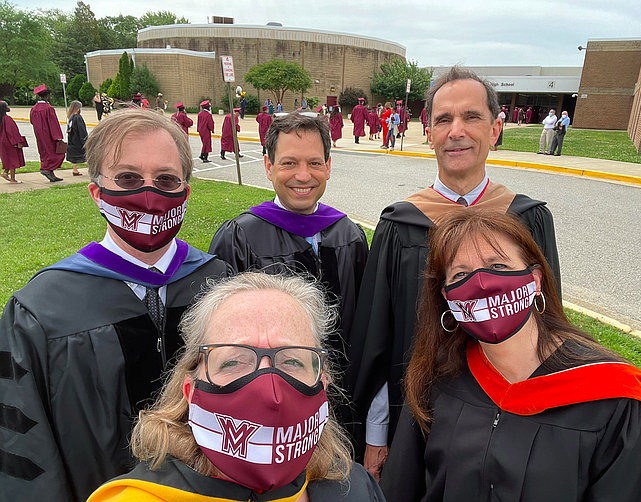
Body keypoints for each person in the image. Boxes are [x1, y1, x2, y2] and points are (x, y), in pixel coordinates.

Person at [0, 109, 231, 502]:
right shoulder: (42, 310)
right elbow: (25, 449)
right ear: (97, 193)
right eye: (127, 178)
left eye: (165, 179)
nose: (147, 192)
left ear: (186, 191)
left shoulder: (219, 283)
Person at [345, 66, 562, 479]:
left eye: (471, 117)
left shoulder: (528, 219)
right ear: (429, 132)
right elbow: (377, 336)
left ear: (496, 128)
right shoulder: (400, 225)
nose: (455, 131)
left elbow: (549, 323)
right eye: (443, 119)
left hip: (512, 411)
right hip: (416, 416)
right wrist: (376, 433)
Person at [381, 209, 641, 501]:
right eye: (461, 274)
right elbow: (401, 488)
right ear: (447, 297)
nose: (482, 283)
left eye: (499, 266)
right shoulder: (439, 378)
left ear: (535, 280)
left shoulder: (614, 398)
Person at [87, 272, 386, 502]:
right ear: (191, 391)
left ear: (322, 384)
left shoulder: (355, 488)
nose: (269, 391)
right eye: (233, 362)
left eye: (292, 361)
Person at [209, 112, 368, 402]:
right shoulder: (240, 237)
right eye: (289, 163)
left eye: (314, 163)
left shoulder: (349, 236)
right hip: (265, 397)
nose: (303, 175)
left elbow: (365, 324)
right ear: (269, 166)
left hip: (345, 396)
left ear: (328, 167)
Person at [30, 84, 65, 182]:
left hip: (39, 135)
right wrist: (58, 137)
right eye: (50, 95)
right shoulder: (48, 108)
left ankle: (51, 173)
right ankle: (46, 170)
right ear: (47, 96)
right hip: (49, 135)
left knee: (44, 153)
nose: (51, 97)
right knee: (56, 153)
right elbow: (53, 124)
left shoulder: (34, 109)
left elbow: (32, 121)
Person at [0, 100, 26, 184]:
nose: (9, 107)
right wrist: (18, 142)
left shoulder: (1, 119)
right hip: (9, 142)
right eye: (7, 106)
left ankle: (5, 172)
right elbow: (12, 132)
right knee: (13, 159)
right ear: (4, 108)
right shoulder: (7, 119)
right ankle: (13, 179)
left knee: (8, 158)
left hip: (2, 141)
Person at [66, 100, 86, 176]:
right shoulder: (78, 117)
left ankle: (75, 169)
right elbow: (82, 130)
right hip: (78, 139)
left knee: (74, 156)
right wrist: (84, 139)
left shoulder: (71, 117)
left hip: (73, 139)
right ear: (78, 108)